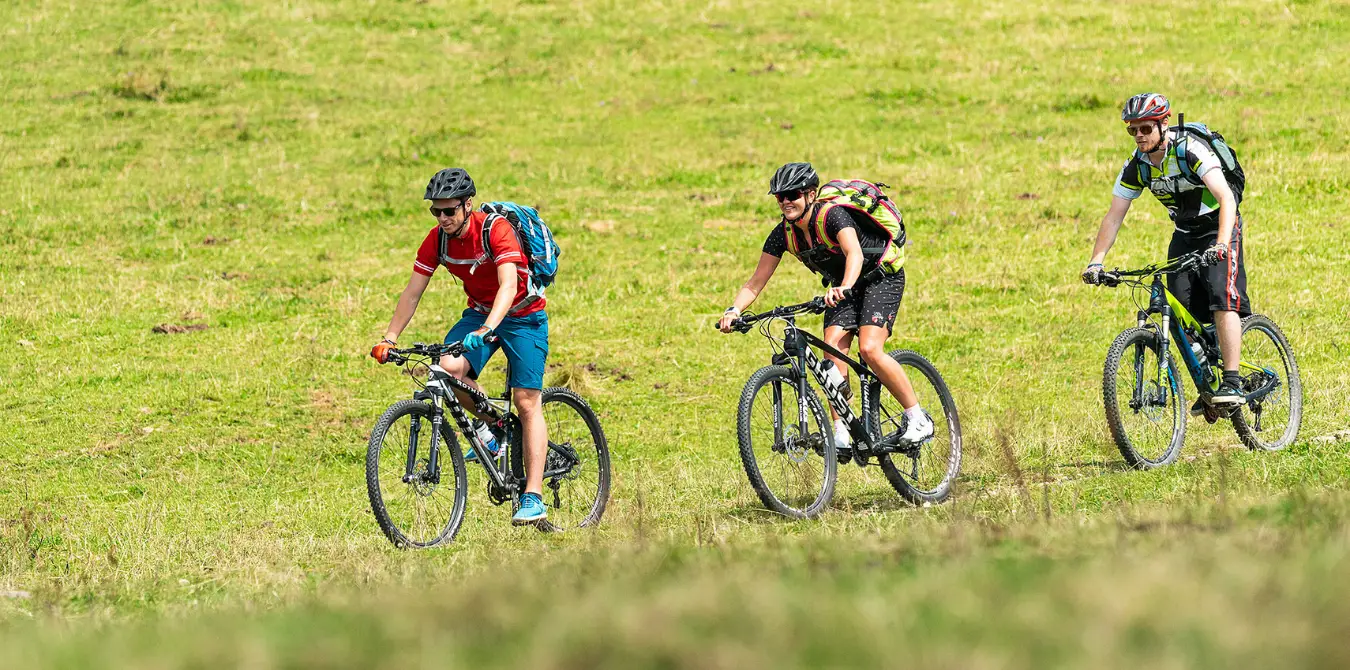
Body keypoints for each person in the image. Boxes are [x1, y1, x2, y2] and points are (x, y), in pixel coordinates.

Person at [370, 167, 551, 525]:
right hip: (480, 314)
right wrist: (389, 338)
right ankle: (493, 432)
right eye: (436, 211)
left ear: (468, 205)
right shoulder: (438, 240)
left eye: (449, 211)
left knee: (526, 401)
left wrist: (487, 328)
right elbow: (412, 292)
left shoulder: (495, 231)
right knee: (446, 370)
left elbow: (508, 286)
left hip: (522, 315)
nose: (442, 218)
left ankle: (533, 496)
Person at [717, 162, 933, 449]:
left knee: (869, 349)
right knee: (831, 352)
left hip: (880, 276)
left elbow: (853, 254)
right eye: (779, 197)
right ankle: (841, 430)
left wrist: (844, 286)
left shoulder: (833, 216)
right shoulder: (782, 234)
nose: (785, 202)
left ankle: (917, 418)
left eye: (792, 194)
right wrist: (734, 310)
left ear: (810, 194)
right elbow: (755, 282)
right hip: (841, 287)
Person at [1081, 93, 1249, 408]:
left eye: (1145, 128)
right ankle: (1208, 380)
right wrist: (1096, 263)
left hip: (1220, 227)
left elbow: (1226, 198)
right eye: (1132, 131)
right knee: (1181, 307)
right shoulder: (1137, 165)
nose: (1139, 136)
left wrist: (1223, 243)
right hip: (1184, 233)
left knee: (1221, 300)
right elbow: (1114, 216)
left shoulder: (1189, 150)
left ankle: (1232, 381)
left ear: (1164, 124)